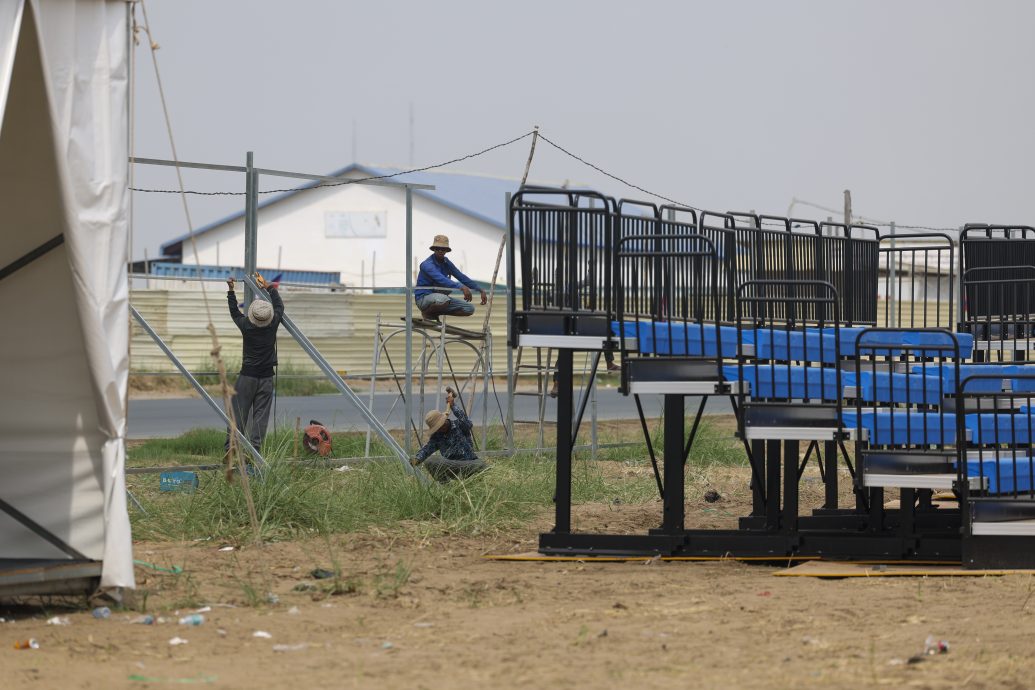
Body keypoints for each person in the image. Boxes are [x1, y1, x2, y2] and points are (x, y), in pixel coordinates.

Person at [224, 272, 284, 460]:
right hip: (266, 378)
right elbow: (279, 306)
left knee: (238, 412)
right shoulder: (273, 323)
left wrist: (231, 290)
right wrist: (268, 286)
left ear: (252, 315)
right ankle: (254, 451)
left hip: (247, 377)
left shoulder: (246, 325)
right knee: (261, 417)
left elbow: (234, 311)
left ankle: (231, 448)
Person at [411, 389, 487, 481]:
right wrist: (417, 459)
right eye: (437, 428)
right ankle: (447, 486)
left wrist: (453, 406)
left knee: (481, 465)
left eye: (440, 426)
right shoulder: (437, 436)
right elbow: (427, 449)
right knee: (430, 462)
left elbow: (467, 423)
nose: (439, 429)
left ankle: (469, 477)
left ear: (444, 421)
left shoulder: (459, 425)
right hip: (451, 466)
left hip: (469, 463)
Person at [414, 234, 486, 321]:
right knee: (443, 300)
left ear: (446, 251)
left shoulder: (446, 262)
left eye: (443, 249)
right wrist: (461, 287)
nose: (440, 251)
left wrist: (480, 289)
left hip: (441, 299)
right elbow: (441, 279)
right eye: (437, 248)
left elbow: (461, 276)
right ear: (434, 249)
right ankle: (427, 313)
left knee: (469, 309)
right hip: (424, 298)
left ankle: (436, 312)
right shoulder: (427, 265)